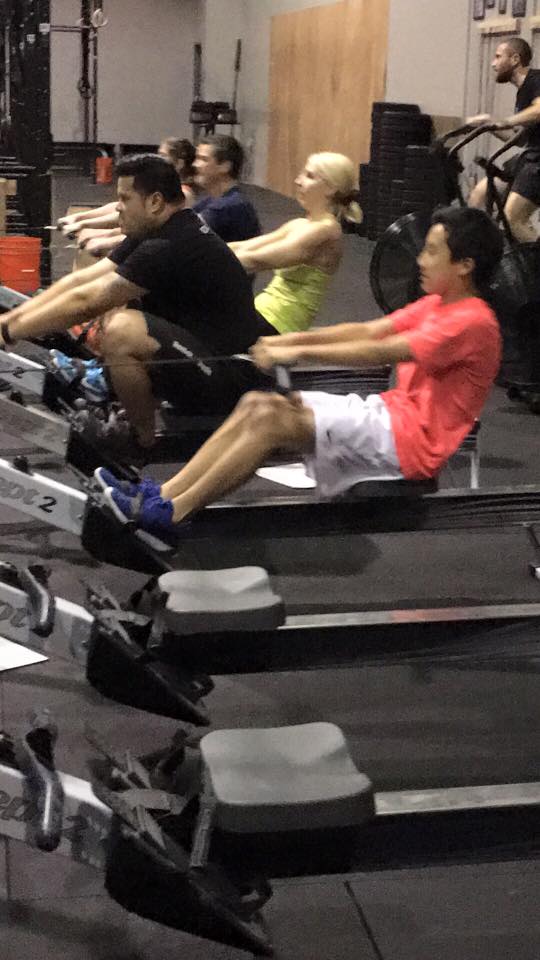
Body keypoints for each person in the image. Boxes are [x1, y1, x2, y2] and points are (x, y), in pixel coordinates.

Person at [97, 206, 504, 547]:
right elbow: (368, 331)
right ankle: (163, 495)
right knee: (258, 403)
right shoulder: (437, 303)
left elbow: (383, 351)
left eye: (432, 252)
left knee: (273, 421)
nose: (420, 259)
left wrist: (296, 349)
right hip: (389, 416)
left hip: (409, 444)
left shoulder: (472, 322)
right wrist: (289, 340)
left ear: (465, 265)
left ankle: (171, 516)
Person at [0, 153, 274, 456]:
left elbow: (87, 302)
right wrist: (10, 321)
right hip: (201, 355)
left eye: (124, 198)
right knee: (119, 309)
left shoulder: (171, 244)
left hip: (232, 382)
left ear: (154, 202)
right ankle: (107, 381)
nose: (117, 206)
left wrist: (10, 332)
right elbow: (80, 283)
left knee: (123, 328)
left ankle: (139, 439)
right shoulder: (155, 231)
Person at [231, 152, 362, 334]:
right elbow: (245, 247)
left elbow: (256, 260)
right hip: (263, 311)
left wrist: (202, 260)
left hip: (279, 326)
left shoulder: (326, 231)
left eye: (309, 176)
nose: (298, 181)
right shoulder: (300, 224)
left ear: (331, 188)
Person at [467, 37, 540, 242]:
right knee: (479, 196)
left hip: (538, 161)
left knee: (513, 218)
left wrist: (505, 121)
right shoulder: (522, 92)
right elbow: (518, 139)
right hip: (529, 155)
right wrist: (489, 124)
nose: (493, 63)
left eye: (498, 57)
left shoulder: (536, 80)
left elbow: (539, 110)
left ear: (515, 59)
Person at [193, 135, 261, 242]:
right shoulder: (208, 202)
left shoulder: (229, 207)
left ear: (225, 166)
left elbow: (182, 237)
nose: (195, 165)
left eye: (204, 159)